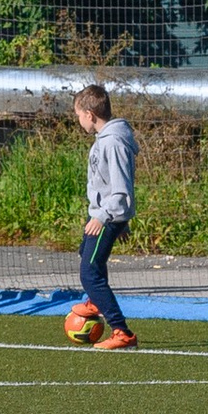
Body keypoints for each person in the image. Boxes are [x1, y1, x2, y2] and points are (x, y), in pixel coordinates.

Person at [71, 82, 138, 350]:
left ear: (90, 114)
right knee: (86, 256)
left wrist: (109, 217)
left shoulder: (113, 142)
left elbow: (122, 188)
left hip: (106, 216)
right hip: (105, 215)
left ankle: (122, 332)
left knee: (89, 274)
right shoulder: (106, 139)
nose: (78, 121)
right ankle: (96, 301)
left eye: (77, 115)